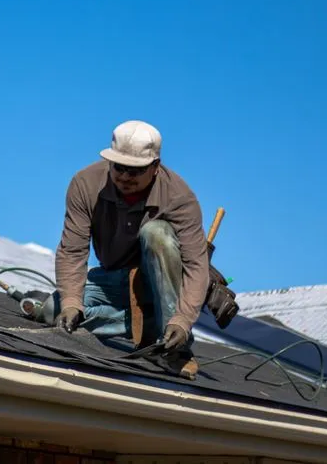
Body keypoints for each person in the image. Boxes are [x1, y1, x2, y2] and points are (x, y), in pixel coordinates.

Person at [40, 120, 210, 377]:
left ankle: (176, 349)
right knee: (56, 311)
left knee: (157, 233)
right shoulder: (85, 184)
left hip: (159, 285)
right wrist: (73, 302)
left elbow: (197, 266)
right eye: (119, 167)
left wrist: (182, 321)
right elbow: (73, 251)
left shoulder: (180, 198)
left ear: (155, 167)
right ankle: (152, 327)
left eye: (135, 170)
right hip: (113, 281)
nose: (124, 177)